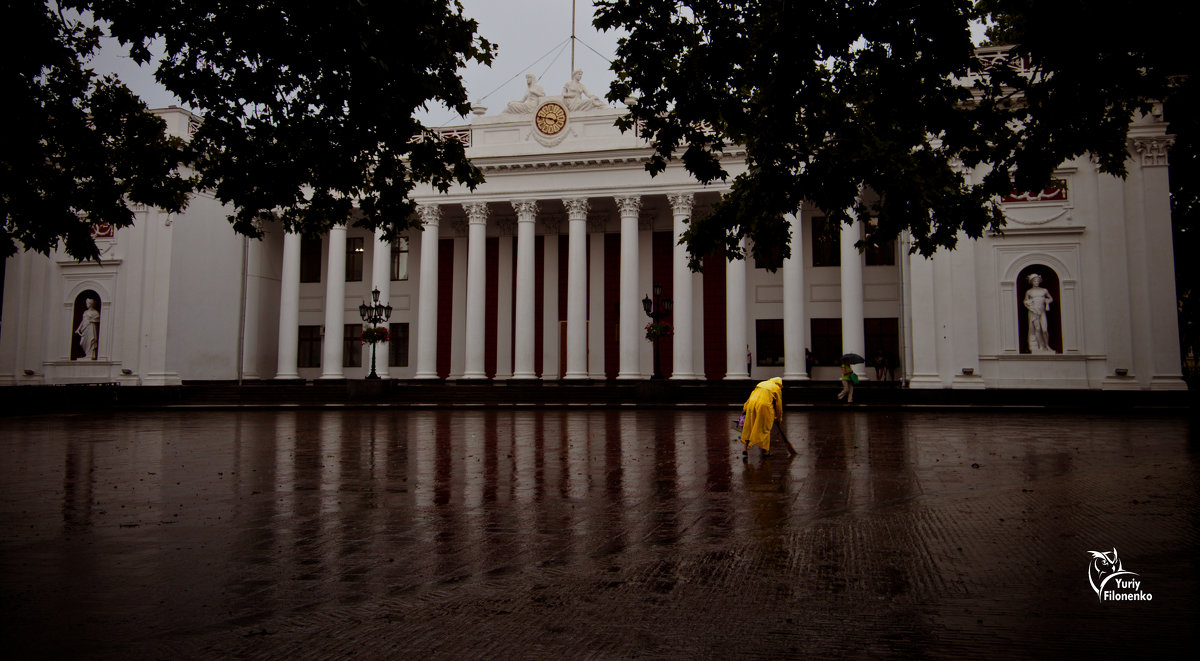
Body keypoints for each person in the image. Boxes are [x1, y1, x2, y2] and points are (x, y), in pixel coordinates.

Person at [739, 377, 783, 456]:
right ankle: (765, 451)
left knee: (749, 427)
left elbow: (750, 397)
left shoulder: (761, 384)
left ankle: (745, 448)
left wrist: (745, 408)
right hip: (764, 406)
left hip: (751, 404)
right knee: (764, 428)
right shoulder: (776, 388)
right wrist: (779, 418)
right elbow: (778, 405)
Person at [1023, 272, 1054, 353]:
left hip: (1042, 311)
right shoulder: (1029, 292)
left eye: (1037, 281)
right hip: (1034, 312)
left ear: (1039, 281)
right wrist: (1029, 305)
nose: (1036, 282)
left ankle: (1047, 346)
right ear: (1032, 282)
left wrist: (1047, 302)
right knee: (1037, 329)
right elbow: (1025, 301)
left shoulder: (1044, 290)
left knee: (1044, 330)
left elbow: (1050, 298)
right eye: (1034, 281)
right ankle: (1040, 346)